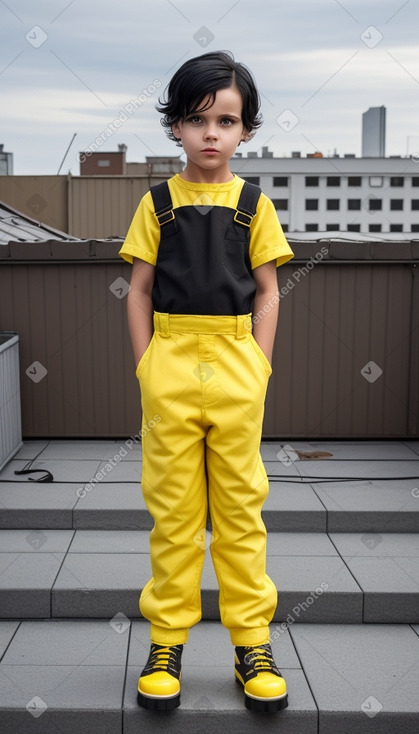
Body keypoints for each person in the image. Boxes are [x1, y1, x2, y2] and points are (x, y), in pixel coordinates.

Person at [119, 50, 294, 713]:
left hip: (234, 363)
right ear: (175, 128)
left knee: (240, 514)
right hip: (168, 358)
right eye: (196, 120)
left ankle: (251, 643)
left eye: (226, 120)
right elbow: (136, 290)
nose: (211, 133)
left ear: (245, 129)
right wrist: (145, 365)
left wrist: (259, 365)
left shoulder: (255, 204)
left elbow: (270, 289)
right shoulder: (155, 204)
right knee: (174, 515)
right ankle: (166, 642)